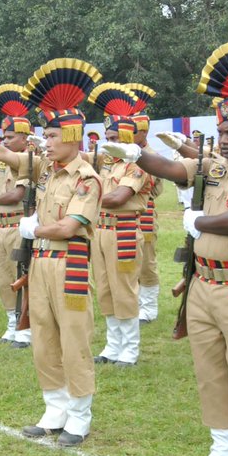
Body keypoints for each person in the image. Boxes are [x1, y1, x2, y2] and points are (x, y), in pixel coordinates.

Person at [101, 39, 228, 456]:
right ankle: (222, 451)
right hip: (203, 284)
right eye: (222, 132)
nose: (224, 139)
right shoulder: (221, 165)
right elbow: (172, 168)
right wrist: (133, 154)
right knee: (209, 370)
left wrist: (195, 220)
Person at [0, 58, 103, 447]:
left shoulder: (86, 177)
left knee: (73, 339)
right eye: (45, 135)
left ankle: (79, 415)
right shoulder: (46, 168)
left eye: (54, 135)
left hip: (69, 263)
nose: (47, 141)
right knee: (43, 336)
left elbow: (70, 227)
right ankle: (54, 406)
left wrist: (36, 228)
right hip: (41, 263)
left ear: (75, 135)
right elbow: (2, 154)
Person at [86, 84, 152, 367]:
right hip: (101, 230)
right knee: (104, 288)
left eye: (114, 138)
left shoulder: (136, 166)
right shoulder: (108, 166)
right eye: (107, 137)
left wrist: (86, 198)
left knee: (124, 289)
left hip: (123, 231)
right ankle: (113, 345)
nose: (108, 143)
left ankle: (130, 348)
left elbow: (118, 197)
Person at [0, 84, 35, 348]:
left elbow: (17, 194)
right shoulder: (4, 161)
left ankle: (26, 326)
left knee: (21, 275)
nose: (5, 141)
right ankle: (11, 322)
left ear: (25, 138)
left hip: (17, 225)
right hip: (0, 228)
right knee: (4, 278)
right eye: (4, 137)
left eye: (11, 137)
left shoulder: (28, 160)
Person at [126, 84, 163, 323]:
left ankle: (149, 306)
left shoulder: (152, 157)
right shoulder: (126, 152)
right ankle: (135, 301)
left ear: (143, 133)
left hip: (145, 214)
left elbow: (157, 189)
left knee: (147, 262)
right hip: (125, 215)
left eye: (133, 131)